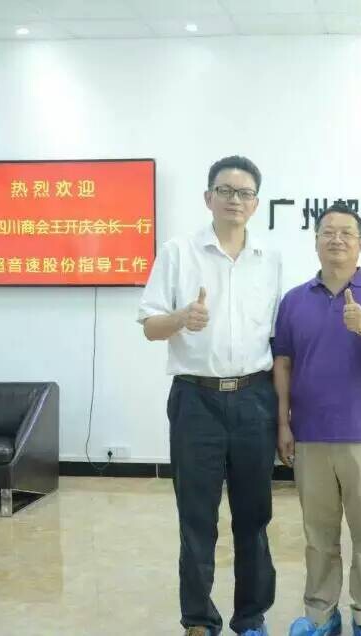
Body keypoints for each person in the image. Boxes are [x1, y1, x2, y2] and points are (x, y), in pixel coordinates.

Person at [138, 156, 280, 636]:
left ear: (255, 203)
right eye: (225, 191)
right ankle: (198, 619)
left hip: (255, 398)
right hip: (195, 400)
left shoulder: (270, 259)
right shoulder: (178, 252)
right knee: (196, 516)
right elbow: (150, 327)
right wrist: (181, 318)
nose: (235, 200)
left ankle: (251, 616)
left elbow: (276, 338)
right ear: (208, 198)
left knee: (254, 516)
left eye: (244, 193)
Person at [274, 202, 361, 636]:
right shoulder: (294, 300)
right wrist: (283, 423)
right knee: (318, 536)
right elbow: (283, 362)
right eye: (328, 232)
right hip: (310, 435)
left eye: (346, 233)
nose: (336, 239)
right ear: (315, 241)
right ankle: (320, 614)